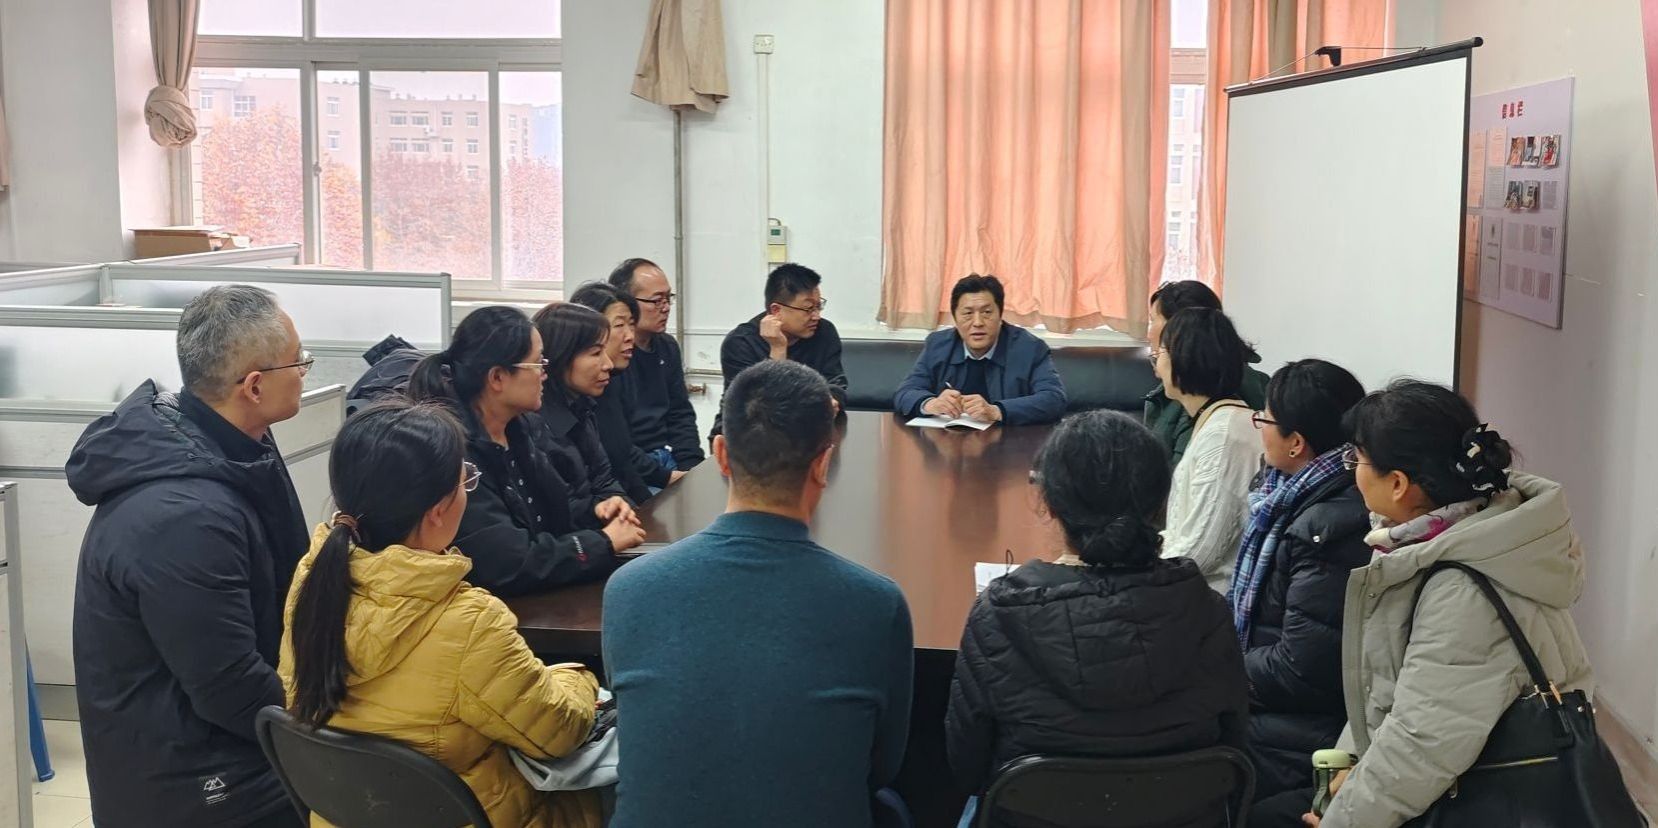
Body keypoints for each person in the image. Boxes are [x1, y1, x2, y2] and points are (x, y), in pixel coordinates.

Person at [604, 360, 913, 828]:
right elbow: (881, 765)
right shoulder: (876, 604)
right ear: (823, 463)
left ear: (721, 454)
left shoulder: (628, 589)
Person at [280, 400, 601, 828]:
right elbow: (559, 733)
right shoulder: (466, 623)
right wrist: (580, 677)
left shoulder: (312, 579)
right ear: (437, 512)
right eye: (464, 480)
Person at [1298, 382, 1594, 828]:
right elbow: (1394, 697)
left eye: (1357, 460)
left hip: (1487, 803)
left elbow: (1421, 744)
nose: (1352, 472)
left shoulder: (1461, 589)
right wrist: (1354, 764)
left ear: (1398, 484)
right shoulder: (1457, 536)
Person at [68, 285, 311, 828]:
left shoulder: (231, 443)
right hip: (196, 783)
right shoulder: (185, 516)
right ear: (254, 386)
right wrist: (333, 726)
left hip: (217, 751)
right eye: (298, 360)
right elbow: (231, 688)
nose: (304, 371)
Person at [945, 411, 1249, 826]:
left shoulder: (998, 616)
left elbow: (967, 767)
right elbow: (1234, 745)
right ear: (1161, 505)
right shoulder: (1208, 610)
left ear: (1047, 503)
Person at [407, 306, 643, 596]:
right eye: (537, 363)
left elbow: (551, 516)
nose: (545, 373)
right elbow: (507, 562)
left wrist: (597, 511)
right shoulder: (455, 455)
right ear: (497, 378)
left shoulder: (523, 429)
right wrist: (603, 543)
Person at [1228, 360, 1371, 804]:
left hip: (1302, 731)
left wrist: (1217, 666)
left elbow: (1301, 668)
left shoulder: (1330, 528)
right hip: (1274, 703)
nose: (1259, 428)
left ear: (1296, 442)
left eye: (1265, 420)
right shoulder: (1287, 493)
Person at [1157, 308, 1261, 593]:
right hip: (1190, 588)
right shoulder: (1216, 420)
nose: (1155, 361)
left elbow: (1199, 552)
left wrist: (1140, 576)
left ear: (1185, 357)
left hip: (1211, 598)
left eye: (1161, 351)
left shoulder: (1223, 435)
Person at [892, 273, 1067, 426]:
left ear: (1000, 316)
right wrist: (930, 404)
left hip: (1011, 444)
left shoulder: (1029, 348)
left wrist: (996, 411)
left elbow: (1054, 399)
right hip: (948, 444)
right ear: (955, 319)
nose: (977, 322)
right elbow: (905, 392)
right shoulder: (938, 345)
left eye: (986, 312)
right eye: (968, 313)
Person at [528, 301, 639, 528]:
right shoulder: (535, 425)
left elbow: (605, 480)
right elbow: (563, 511)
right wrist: (602, 514)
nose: (608, 364)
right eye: (596, 353)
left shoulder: (582, 406)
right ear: (561, 357)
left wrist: (620, 507)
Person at [712, 262, 848, 436]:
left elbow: (836, 382)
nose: (816, 316)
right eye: (808, 308)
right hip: (747, 434)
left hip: (805, 430)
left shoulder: (824, 331)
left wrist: (832, 399)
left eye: (818, 306)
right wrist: (777, 349)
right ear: (776, 310)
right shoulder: (741, 342)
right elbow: (758, 408)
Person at [1142, 280, 1269, 466]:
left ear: (1184, 330)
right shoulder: (1189, 386)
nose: (1148, 334)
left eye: (1153, 320)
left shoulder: (1203, 395)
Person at [608, 258, 704, 485]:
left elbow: (680, 413)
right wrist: (665, 477)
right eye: (656, 300)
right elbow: (617, 443)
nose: (666, 307)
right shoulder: (611, 358)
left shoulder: (667, 347)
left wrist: (692, 468)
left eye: (668, 298)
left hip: (668, 457)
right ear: (626, 303)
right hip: (633, 469)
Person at [568, 282, 654, 502]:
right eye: (619, 325)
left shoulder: (612, 381)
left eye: (631, 325)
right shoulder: (559, 410)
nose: (630, 336)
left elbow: (622, 462)